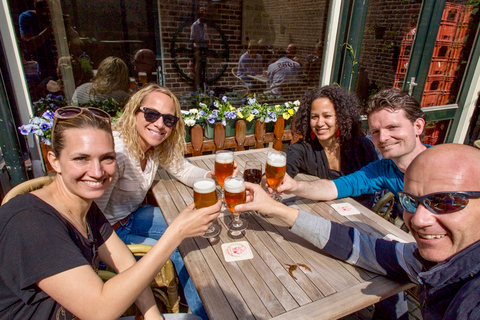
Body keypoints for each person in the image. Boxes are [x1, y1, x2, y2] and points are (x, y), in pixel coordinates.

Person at [0, 106, 220, 319]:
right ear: (54, 161)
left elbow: (126, 264)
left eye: (107, 158)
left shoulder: (85, 206)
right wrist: (176, 233)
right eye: (81, 158)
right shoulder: (30, 222)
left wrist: (153, 316)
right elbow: (99, 311)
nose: (97, 172)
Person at [237, 143, 480, 319]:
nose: (419, 218)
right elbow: (363, 247)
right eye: (411, 201)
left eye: (445, 202)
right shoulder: (433, 261)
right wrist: (278, 210)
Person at [279, 87, 428, 319]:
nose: (383, 138)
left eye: (392, 128)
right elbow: (336, 186)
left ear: (418, 126)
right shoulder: (383, 170)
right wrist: (294, 186)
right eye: (376, 131)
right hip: (411, 254)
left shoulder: (448, 169)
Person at [94, 84, 219, 319]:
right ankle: (204, 313)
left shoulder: (153, 147)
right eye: (151, 114)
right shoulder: (118, 152)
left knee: (200, 227)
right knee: (184, 249)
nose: (160, 124)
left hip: (132, 217)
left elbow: (183, 170)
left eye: (169, 120)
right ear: (134, 112)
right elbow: (93, 219)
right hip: (111, 234)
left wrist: (209, 177)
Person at [287, 85, 379, 208]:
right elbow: (283, 172)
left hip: (360, 215)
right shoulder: (302, 149)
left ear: (341, 118)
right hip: (320, 214)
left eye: (327, 116)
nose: (320, 123)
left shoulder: (361, 147)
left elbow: (376, 187)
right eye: (314, 117)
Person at [190, 7, 209, 90]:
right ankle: (197, 88)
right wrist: (202, 41)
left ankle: (204, 87)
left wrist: (207, 40)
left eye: (205, 16)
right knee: (198, 70)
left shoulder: (205, 26)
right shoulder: (195, 25)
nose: (204, 18)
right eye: (203, 16)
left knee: (204, 69)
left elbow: (206, 36)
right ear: (200, 16)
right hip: (197, 49)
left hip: (204, 49)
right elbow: (192, 39)